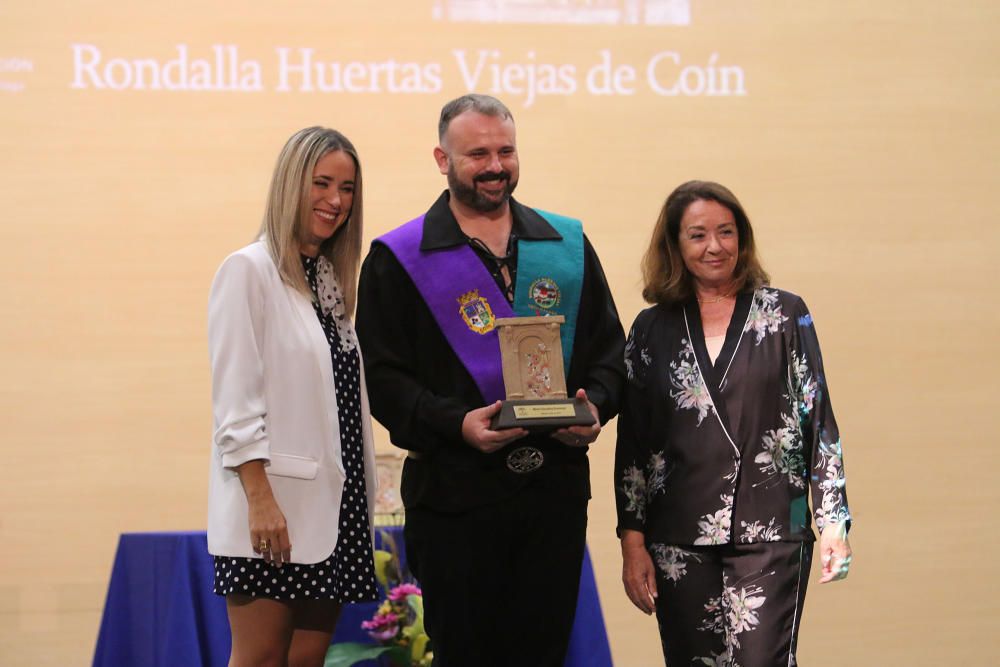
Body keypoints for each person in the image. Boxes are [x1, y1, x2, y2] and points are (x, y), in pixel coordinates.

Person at [355, 94, 626, 666]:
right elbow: (382, 378)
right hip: (454, 502)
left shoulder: (566, 245)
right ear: (442, 158)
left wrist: (594, 407)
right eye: (477, 153)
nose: (495, 164)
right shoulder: (397, 258)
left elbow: (611, 353)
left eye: (505, 150)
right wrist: (456, 423)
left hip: (552, 499)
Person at [615, 180, 852, 666]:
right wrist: (632, 542)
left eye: (726, 232)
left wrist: (833, 521)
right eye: (698, 235)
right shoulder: (650, 329)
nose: (715, 246)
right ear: (676, 246)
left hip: (771, 531)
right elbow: (634, 443)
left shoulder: (785, 314)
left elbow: (817, 421)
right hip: (678, 535)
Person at [207, 127, 378, 667]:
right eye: (321, 183)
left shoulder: (327, 280)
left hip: (333, 509)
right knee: (259, 659)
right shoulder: (248, 269)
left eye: (347, 188)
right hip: (273, 507)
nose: (335, 201)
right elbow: (235, 402)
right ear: (289, 185)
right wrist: (259, 498)